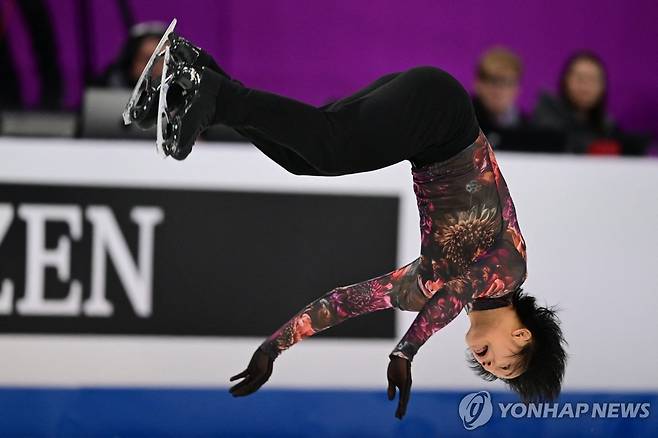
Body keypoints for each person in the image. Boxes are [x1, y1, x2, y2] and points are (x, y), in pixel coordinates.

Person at [125, 31, 567, 420]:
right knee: (330, 146)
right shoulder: (508, 270)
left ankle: (195, 71)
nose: (492, 369)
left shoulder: (423, 287)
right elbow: (458, 294)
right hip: (443, 116)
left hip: (425, 127)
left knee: (302, 157)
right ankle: (213, 95)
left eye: (497, 374)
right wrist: (405, 351)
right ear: (521, 334)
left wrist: (274, 348)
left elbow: (343, 302)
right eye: (509, 365)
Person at [532, 50, 620, 154]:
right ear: (565, 81)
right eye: (580, 78)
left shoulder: (607, 125)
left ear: (602, 87)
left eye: (592, 79)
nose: (585, 86)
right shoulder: (547, 113)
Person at [472, 46, 530, 140]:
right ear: (478, 84)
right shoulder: (464, 123)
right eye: (493, 81)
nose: (499, 90)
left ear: (518, 89)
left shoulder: (528, 128)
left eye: (507, 83)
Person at [93, 22, 167, 89]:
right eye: (148, 60)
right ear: (130, 62)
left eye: (166, 61)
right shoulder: (101, 92)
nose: (159, 68)